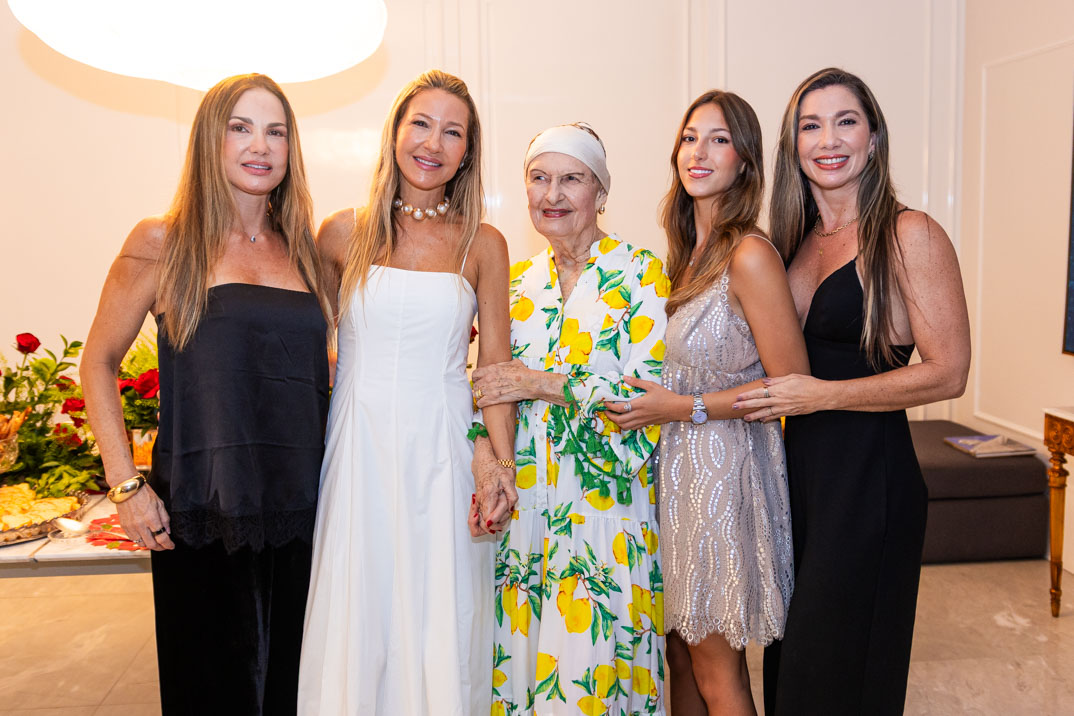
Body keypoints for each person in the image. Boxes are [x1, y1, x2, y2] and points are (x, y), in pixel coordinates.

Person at [81, 74, 333, 714]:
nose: (260, 146)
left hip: (307, 511)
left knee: (298, 694)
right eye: (240, 128)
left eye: (276, 132)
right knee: (212, 694)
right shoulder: (162, 242)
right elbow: (98, 362)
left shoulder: (305, 251)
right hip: (202, 512)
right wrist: (125, 485)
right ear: (208, 140)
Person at [736, 68, 970, 714]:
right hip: (799, 478)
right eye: (811, 125)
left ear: (874, 137)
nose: (828, 140)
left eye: (846, 122)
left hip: (870, 480)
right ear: (794, 145)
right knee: (790, 670)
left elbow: (949, 371)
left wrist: (822, 395)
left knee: (835, 676)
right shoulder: (791, 241)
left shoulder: (909, 234)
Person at [297, 69, 516, 716]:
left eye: (452, 132)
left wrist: (499, 464)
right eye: (420, 123)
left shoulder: (484, 243)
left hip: (442, 453)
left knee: (438, 613)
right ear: (395, 132)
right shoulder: (342, 233)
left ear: (468, 151)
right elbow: (307, 351)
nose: (432, 143)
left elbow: (494, 369)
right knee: (358, 611)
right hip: (357, 448)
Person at [605, 91, 808, 715]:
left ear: (745, 160)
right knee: (679, 655)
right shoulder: (680, 254)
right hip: (672, 468)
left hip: (722, 471)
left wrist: (683, 408)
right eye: (691, 137)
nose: (700, 151)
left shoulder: (749, 254)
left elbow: (791, 386)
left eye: (720, 139)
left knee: (717, 666)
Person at [471, 122, 668, 715]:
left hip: (605, 517)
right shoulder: (513, 285)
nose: (552, 194)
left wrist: (540, 383)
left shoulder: (642, 275)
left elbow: (644, 404)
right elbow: (481, 393)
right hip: (525, 521)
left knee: (595, 677)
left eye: (571, 179)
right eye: (539, 178)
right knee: (524, 676)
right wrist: (487, 463)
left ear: (601, 192)